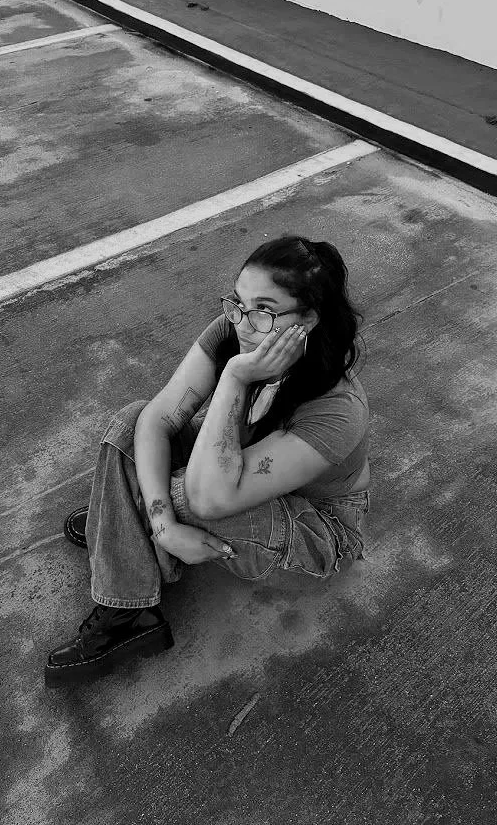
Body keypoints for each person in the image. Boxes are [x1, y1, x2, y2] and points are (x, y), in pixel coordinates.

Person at [45, 234, 370, 686]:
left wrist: (236, 376)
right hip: (241, 470)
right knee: (129, 425)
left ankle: (119, 535)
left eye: (264, 310)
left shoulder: (337, 407)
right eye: (236, 302)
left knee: (177, 492)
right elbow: (156, 418)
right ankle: (135, 580)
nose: (242, 323)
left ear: (309, 319)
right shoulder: (232, 329)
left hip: (317, 523)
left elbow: (208, 497)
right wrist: (163, 526)